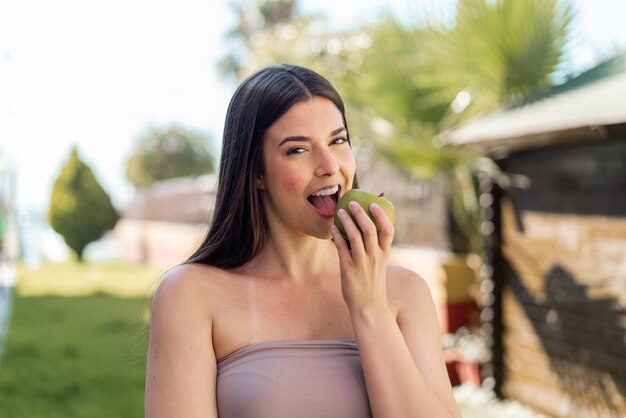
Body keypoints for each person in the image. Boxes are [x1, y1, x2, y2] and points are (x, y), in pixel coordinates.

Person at [144, 64, 460, 418]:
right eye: (297, 149)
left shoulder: (406, 293)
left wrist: (370, 307)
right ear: (257, 172)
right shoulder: (190, 295)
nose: (329, 165)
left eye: (338, 141)